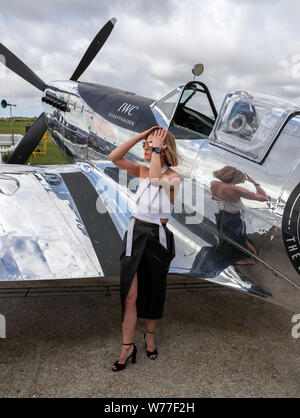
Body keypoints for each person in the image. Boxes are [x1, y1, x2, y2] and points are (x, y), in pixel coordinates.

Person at [108, 126, 182, 372]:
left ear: (164, 148)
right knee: (130, 294)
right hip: (136, 232)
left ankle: (149, 336)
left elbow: (155, 180)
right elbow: (114, 158)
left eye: (151, 145)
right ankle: (127, 346)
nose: (145, 148)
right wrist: (140, 136)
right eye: (146, 144)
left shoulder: (174, 177)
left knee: (154, 291)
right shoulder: (141, 170)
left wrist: (157, 148)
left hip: (157, 237)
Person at [210, 166, 269, 265]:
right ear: (235, 178)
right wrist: (255, 183)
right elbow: (264, 198)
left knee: (229, 238)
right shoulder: (235, 189)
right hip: (235, 219)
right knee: (241, 239)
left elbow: (214, 197)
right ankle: (250, 259)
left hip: (222, 215)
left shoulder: (214, 184)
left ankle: (245, 256)